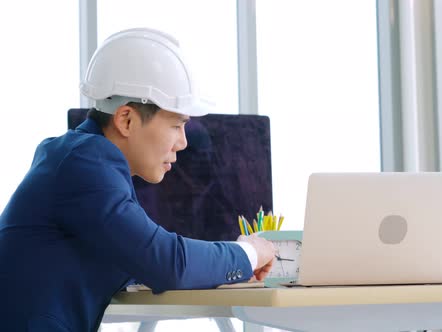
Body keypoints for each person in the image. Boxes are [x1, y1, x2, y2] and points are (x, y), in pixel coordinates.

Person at [0, 28, 275, 331]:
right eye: (176, 125)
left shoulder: (80, 158)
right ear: (126, 119)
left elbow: (143, 260)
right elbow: (166, 262)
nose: (183, 142)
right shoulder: (86, 166)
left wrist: (224, 268)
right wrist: (249, 253)